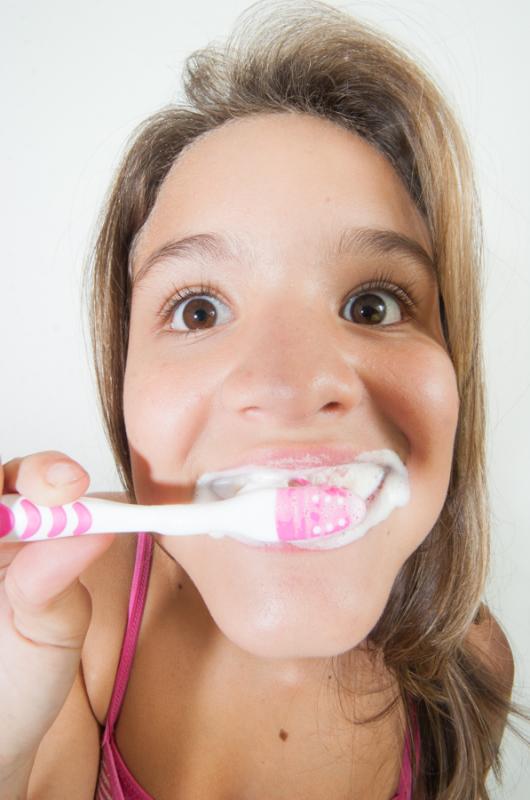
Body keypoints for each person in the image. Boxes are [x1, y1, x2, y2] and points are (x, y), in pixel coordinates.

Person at [1, 1, 524, 798]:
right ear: (122, 376)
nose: (288, 386)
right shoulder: (67, 614)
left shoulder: (475, 665)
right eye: (199, 310)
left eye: (373, 304)